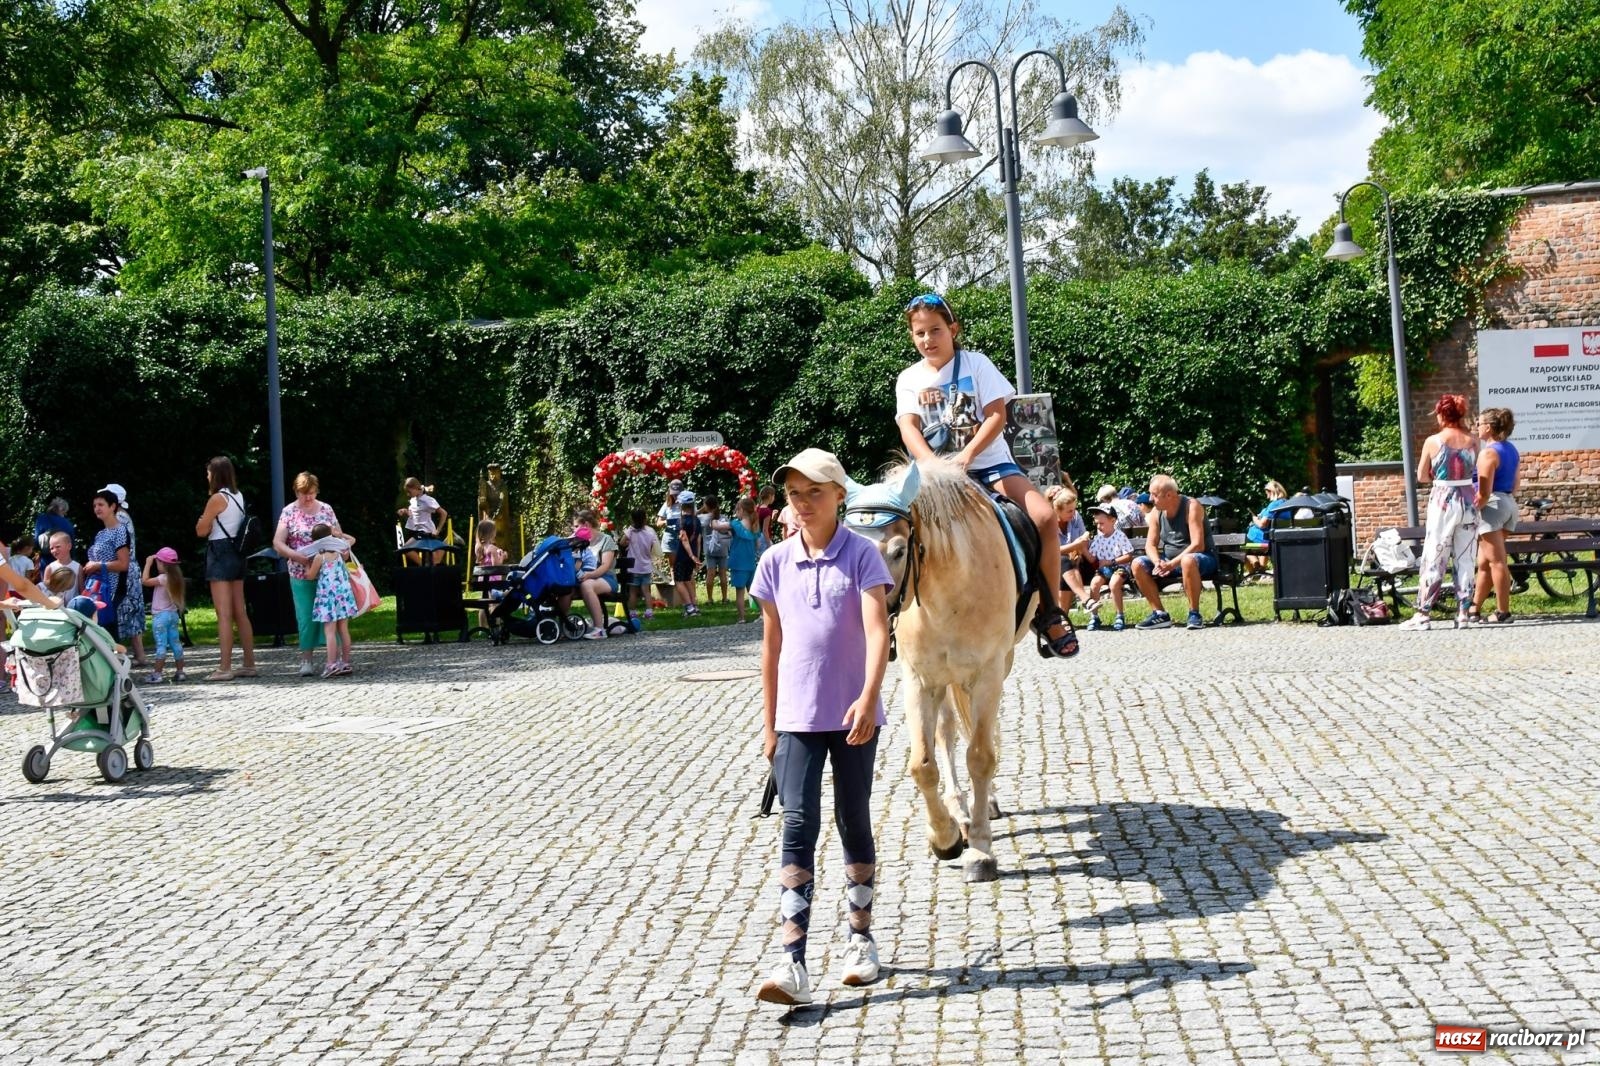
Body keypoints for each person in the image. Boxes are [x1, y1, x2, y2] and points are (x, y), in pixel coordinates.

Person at [751, 448, 893, 1006]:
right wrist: (770, 724)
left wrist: (869, 694)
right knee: (797, 823)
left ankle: (860, 940)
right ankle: (793, 960)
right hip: (796, 717)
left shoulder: (864, 555)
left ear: (839, 495)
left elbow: (878, 630)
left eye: (814, 492)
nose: (803, 503)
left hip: (854, 713)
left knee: (852, 817)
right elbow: (771, 647)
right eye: (794, 494)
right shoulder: (774, 563)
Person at [894, 292, 1077, 657]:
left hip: (989, 465)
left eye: (935, 330)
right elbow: (908, 428)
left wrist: (966, 457)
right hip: (934, 475)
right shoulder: (909, 378)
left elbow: (996, 415)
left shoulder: (977, 364)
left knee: (1042, 517)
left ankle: (1050, 610)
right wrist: (934, 466)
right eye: (920, 333)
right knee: (894, 528)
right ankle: (892, 617)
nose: (928, 340)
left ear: (953, 329)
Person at [1401, 394, 1479, 631]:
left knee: (1435, 555)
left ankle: (1423, 613)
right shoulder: (1474, 440)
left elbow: (1422, 476)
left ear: (1442, 414)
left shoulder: (1433, 441)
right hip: (1468, 498)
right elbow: (1474, 469)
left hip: (1443, 500)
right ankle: (1463, 613)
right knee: (1466, 556)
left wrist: (1439, 475)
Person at [271, 471, 354, 677]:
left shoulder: (326, 509)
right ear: (296, 491)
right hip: (302, 572)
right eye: (303, 493)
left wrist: (342, 550)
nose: (308, 497)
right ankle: (306, 659)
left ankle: (334, 661)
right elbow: (278, 542)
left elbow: (340, 537)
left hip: (331, 575)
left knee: (333, 619)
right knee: (306, 617)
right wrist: (297, 556)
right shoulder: (289, 511)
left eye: (312, 493)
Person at [195, 457, 259, 681]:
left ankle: (224, 667)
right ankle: (249, 663)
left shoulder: (216, 498)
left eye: (209, 472)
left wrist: (203, 519)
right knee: (239, 611)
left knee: (223, 614)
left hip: (220, 552)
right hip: (238, 553)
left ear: (216, 474)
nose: (207, 476)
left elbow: (202, 530)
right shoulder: (238, 495)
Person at [1130, 474, 1219, 631]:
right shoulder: (1157, 513)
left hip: (1203, 559)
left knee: (1188, 560)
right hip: (1170, 561)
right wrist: (1158, 562)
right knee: (1137, 564)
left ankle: (1194, 614)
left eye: (1154, 495)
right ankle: (1160, 614)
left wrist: (1171, 564)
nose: (1150, 499)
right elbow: (1150, 546)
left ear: (1169, 495)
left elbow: (1198, 545)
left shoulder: (1191, 506)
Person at [1471, 407, 1520, 625]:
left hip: (1492, 506)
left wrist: (1473, 509)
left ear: (1488, 427)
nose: (1477, 427)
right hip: (1509, 504)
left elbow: (1484, 492)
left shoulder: (1488, 453)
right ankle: (1474, 607)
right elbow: (1516, 485)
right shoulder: (1511, 449)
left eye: (1479, 423)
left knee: (1497, 562)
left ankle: (1503, 612)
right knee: (1484, 562)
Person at [99, 483, 147, 665]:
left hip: (123, 571)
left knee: (123, 610)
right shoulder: (124, 515)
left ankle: (125, 655)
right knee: (131, 610)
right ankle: (139, 653)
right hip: (130, 569)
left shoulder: (119, 518)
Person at [304, 522, 357, 677]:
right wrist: (338, 534)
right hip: (343, 595)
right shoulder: (341, 552)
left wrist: (307, 566)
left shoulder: (319, 557)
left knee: (330, 632)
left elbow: (310, 576)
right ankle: (345, 662)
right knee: (344, 630)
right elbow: (352, 540)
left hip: (328, 597)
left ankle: (331, 664)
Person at [82, 490, 132, 636]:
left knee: (107, 626)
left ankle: (116, 657)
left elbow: (123, 564)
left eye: (101, 504)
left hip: (112, 587)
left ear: (112, 506)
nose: (97, 508)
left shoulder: (120, 531)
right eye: (94, 505)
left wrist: (98, 565)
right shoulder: (101, 533)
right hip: (97, 585)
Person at [1084, 503, 1136, 631]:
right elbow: (1092, 558)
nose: (1099, 527)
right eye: (1096, 524)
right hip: (1104, 570)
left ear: (1113, 521)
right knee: (1094, 584)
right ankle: (1094, 616)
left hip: (1120, 567)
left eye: (1101, 523)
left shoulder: (1119, 536)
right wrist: (1082, 547)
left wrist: (1111, 561)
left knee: (1114, 584)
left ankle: (1119, 615)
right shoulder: (1098, 539)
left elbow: (1128, 556)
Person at [572, 509, 620, 640]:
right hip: (584, 578)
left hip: (606, 579)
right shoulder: (578, 542)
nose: (574, 529)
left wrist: (589, 575)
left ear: (586, 525)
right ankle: (564, 625)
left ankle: (599, 629)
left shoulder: (606, 539)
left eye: (576, 526)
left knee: (587, 585)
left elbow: (605, 566)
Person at [141, 547, 187, 683]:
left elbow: (144, 581)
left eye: (158, 563)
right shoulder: (176, 579)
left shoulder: (162, 578)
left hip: (161, 617)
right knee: (175, 643)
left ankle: (157, 674)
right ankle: (180, 672)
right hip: (173, 615)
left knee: (161, 644)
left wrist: (148, 563)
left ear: (162, 564)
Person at [1046, 486, 1092, 612]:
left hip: (1078, 559)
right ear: (1057, 510)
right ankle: (1085, 598)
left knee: (1067, 563)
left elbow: (1084, 538)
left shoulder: (1075, 517)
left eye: (1074, 509)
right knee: (1064, 562)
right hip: (1055, 563)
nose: (1073, 513)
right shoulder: (1048, 523)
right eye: (1069, 511)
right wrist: (1075, 546)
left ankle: (1064, 618)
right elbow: (1052, 551)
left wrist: (1079, 549)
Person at [1243, 480, 1292, 579]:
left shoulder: (1274, 505)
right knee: (1245, 542)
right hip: (1275, 541)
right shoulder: (1287, 504)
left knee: (1239, 545)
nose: (1267, 497)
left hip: (1265, 545)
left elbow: (1262, 525)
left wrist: (1255, 519)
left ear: (1271, 491)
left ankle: (1254, 570)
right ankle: (1259, 569)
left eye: (1267, 494)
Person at [726, 496, 761, 623]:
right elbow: (757, 545)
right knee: (754, 590)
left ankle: (741, 618)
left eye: (737, 510)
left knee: (739, 593)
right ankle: (763, 614)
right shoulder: (754, 526)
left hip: (738, 563)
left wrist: (713, 523)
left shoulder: (735, 524)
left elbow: (722, 527)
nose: (736, 512)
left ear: (741, 510)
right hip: (750, 563)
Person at [398, 477, 448, 564]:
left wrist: (438, 530)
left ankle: (427, 564)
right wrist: (405, 511)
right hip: (418, 532)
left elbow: (444, 513)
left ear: (415, 488)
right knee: (405, 549)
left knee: (435, 561)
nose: (408, 494)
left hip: (427, 532)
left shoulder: (427, 501)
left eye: (409, 492)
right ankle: (425, 566)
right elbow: (414, 515)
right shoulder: (413, 500)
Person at [620, 509, 657, 623]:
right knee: (646, 591)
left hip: (633, 567)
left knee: (633, 592)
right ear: (645, 519)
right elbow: (651, 547)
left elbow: (621, 543)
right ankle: (649, 612)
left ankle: (632, 613)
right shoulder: (650, 533)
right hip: (646, 567)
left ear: (632, 519)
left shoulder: (630, 531)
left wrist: (628, 542)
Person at [473, 518, 508, 630]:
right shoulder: (492, 548)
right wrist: (502, 556)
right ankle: (495, 625)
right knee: (494, 604)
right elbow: (496, 566)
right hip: (493, 580)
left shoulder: (478, 547)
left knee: (484, 603)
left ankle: (482, 626)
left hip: (482, 580)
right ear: (491, 533)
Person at [673, 490, 702, 616]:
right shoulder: (697, 520)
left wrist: (690, 555)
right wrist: (696, 557)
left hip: (682, 555)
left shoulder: (681, 521)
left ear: (681, 505)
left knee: (679, 581)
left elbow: (684, 539)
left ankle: (689, 607)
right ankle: (694, 605)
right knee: (688, 579)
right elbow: (699, 540)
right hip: (694, 555)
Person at [701, 497, 730, 604]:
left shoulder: (704, 518)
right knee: (723, 573)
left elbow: (694, 515)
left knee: (710, 573)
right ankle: (725, 598)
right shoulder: (724, 518)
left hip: (710, 549)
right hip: (723, 548)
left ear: (706, 506)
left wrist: (700, 510)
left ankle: (709, 599)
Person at [655, 479, 685, 564]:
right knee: (673, 566)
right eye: (674, 494)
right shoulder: (667, 504)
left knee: (684, 566)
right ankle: (673, 578)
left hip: (684, 537)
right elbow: (658, 523)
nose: (676, 496)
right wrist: (666, 522)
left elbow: (695, 518)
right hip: (671, 538)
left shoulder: (688, 503)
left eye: (677, 494)